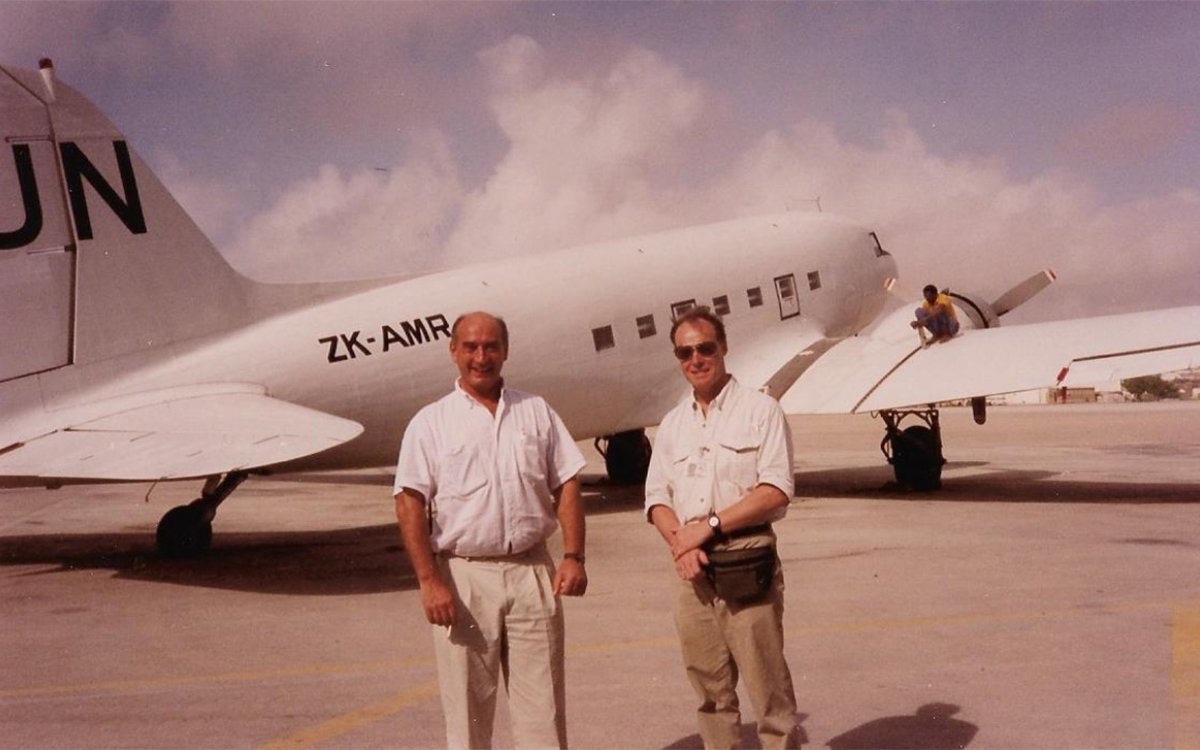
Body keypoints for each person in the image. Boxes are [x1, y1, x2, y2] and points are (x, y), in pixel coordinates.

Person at [393, 311, 587, 749]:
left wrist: (573, 555)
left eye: (491, 346)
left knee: (544, 716)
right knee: (468, 720)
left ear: (505, 350)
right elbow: (409, 502)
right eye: (471, 347)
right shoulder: (431, 423)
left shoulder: (535, 411)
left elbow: (567, 481)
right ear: (453, 351)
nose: (481, 357)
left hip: (532, 572)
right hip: (464, 580)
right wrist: (429, 581)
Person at [644, 306, 798, 749]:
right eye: (685, 352)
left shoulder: (761, 410)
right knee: (709, 690)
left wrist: (706, 528)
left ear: (724, 348)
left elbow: (775, 490)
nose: (695, 359)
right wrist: (682, 542)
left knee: (768, 687)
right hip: (692, 569)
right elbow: (657, 499)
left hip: (745, 559)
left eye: (705, 348)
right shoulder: (674, 423)